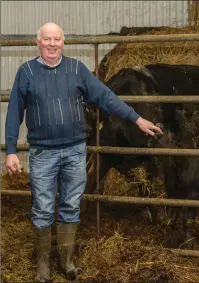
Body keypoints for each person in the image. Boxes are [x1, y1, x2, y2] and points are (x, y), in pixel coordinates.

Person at [4, 22, 163, 282]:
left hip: (75, 151)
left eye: (57, 39)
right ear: (38, 43)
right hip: (43, 153)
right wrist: (11, 150)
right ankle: (43, 267)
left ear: (63, 43)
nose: (52, 44)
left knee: (70, 205)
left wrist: (137, 119)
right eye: (47, 39)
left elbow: (106, 97)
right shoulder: (27, 72)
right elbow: (13, 113)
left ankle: (67, 262)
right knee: (43, 208)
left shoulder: (77, 69)